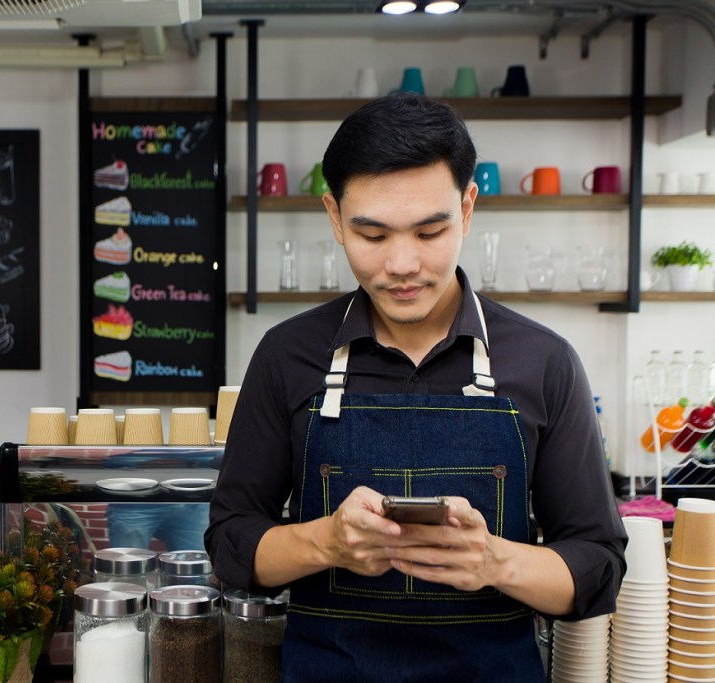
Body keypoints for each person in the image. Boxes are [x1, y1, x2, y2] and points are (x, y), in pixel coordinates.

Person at [204, 93, 627, 681]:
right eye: (372, 236)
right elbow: (231, 540)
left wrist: (494, 561)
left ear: (468, 207)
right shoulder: (286, 355)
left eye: (430, 232)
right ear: (333, 216)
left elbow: (598, 565)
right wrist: (328, 543)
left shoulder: (544, 362)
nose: (402, 265)